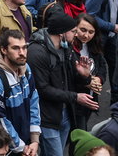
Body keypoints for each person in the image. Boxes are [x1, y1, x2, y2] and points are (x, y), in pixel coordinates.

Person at [27, 12, 96, 156]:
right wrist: (75, 97)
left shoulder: (66, 48)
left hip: (64, 113)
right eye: (73, 31)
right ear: (62, 33)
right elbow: (42, 89)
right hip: (47, 117)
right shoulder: (36, 53)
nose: (76, 35)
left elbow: (72, 80)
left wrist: (84, 76)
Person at [0, 29, 41, 155]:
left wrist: (35, 139)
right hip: (4, 149)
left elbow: (33, 101)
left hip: (27, 144)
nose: (22, 53)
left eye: (24, 47)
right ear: (4, 50)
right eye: (16, 48)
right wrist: (22, 148)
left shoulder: (25, 69)